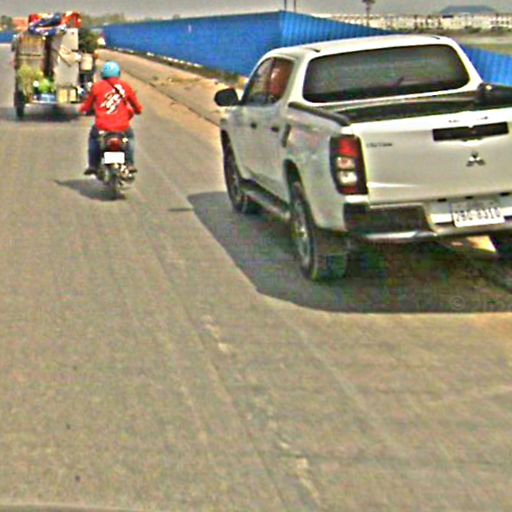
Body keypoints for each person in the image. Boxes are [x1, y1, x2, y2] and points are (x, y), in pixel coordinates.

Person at [80, 61, 143, 175]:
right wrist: (137, 111)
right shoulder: (125, 87)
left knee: (93, 139)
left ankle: (93, 165)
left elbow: (87, 106)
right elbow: (137, 107)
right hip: (122, 127)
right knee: (130, 138)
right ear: (118, 73)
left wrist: (83, 110)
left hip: (102, 127)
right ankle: (130, 163)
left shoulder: (97, 87)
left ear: (103, 74)